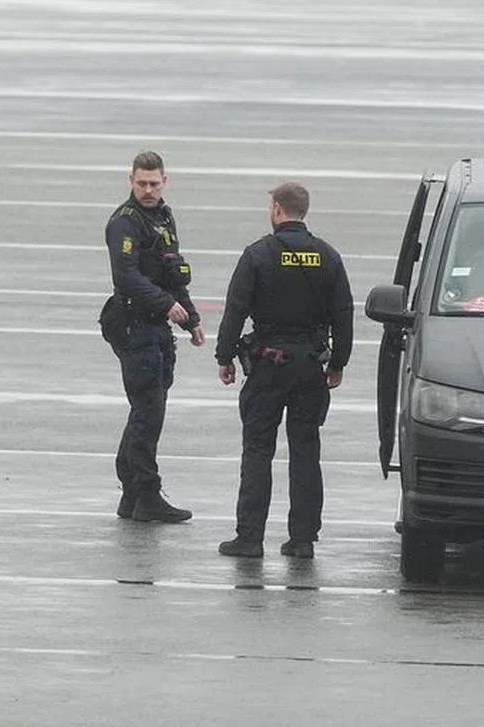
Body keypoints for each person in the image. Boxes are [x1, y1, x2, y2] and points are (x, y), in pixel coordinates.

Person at [214, 181, 354, 559]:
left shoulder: (258, 255)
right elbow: (344, 314)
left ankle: (249, 538)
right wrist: (339, 361)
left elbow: (235, 309)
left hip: (269, 364)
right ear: (303, 211)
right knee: (306, 450)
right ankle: (303, 538)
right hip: (311, 365)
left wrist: (224, 357)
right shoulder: (328, 256)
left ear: (277, 209)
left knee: (258, 450)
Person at [103, 151, 204, 522]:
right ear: (130, 181)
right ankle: (146, 493)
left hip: (156, 325)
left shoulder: (162, 216)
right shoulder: (124, 223)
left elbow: (172, 271)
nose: (148, 190)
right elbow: (126, 275)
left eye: (154, 183)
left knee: (147, 409)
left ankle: (132, 489)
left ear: (165, 181)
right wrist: (166, 305)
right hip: (133, 323)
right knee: (149, 409)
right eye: (142, 183)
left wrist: (189, 317)